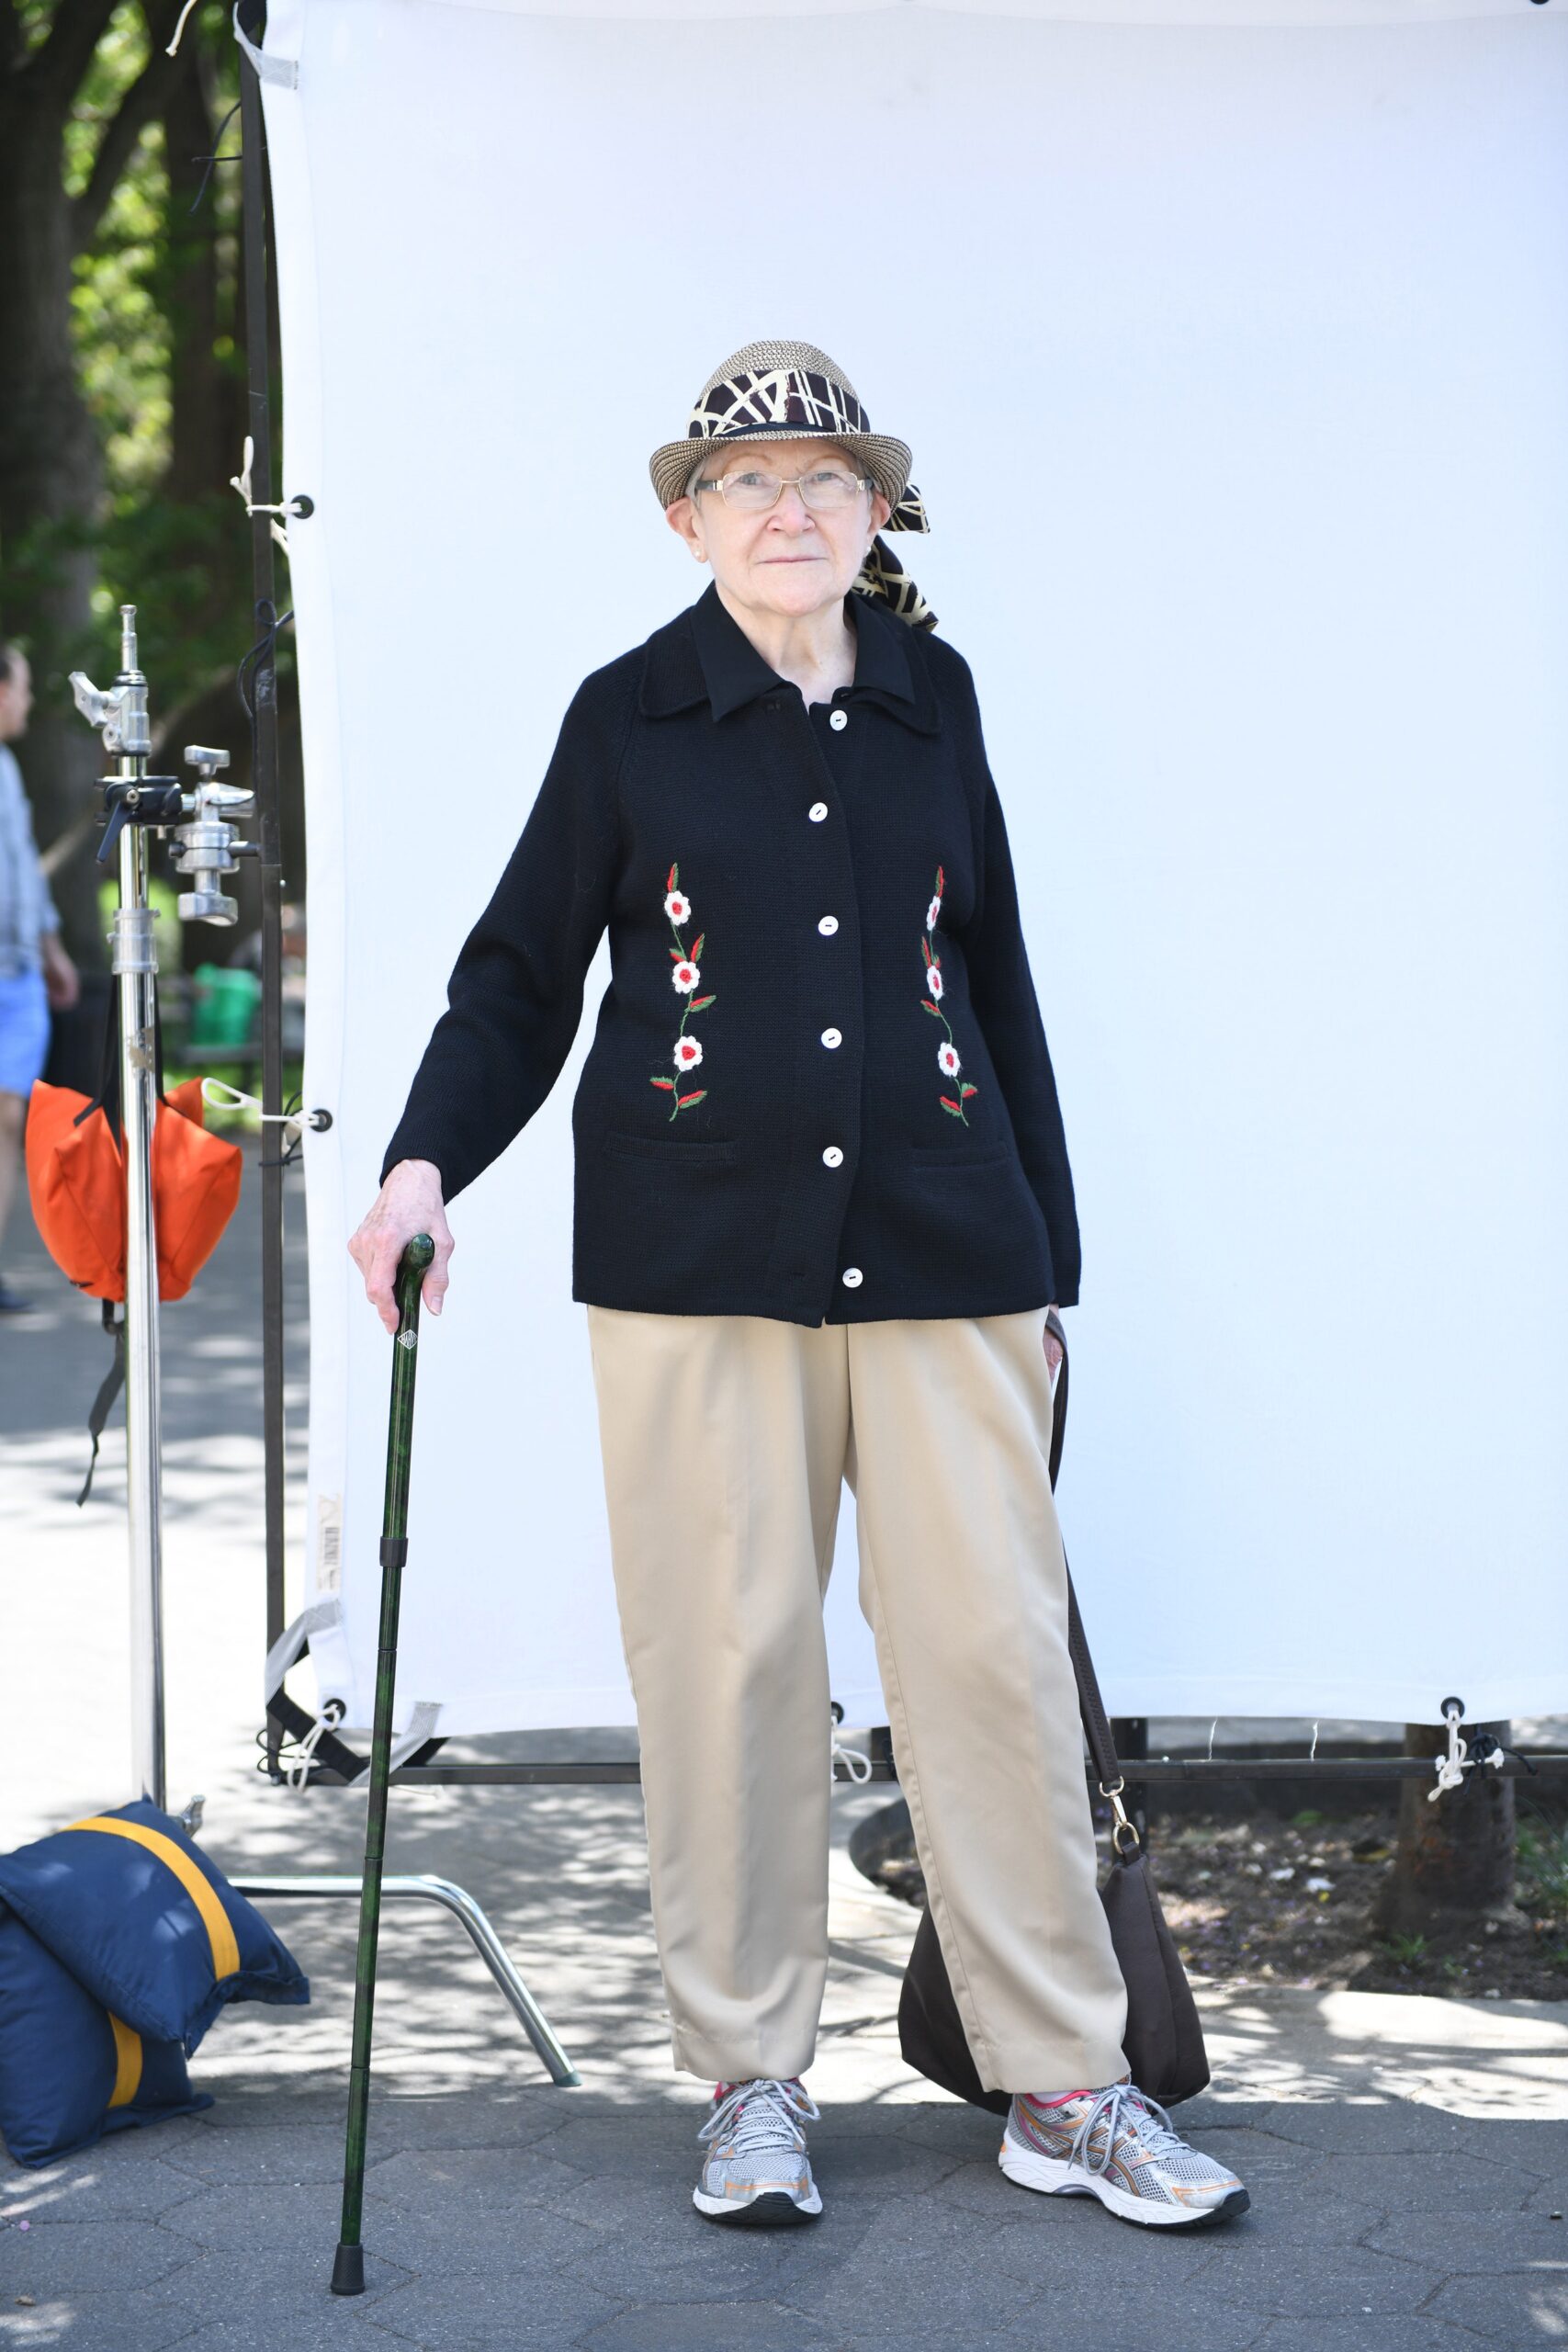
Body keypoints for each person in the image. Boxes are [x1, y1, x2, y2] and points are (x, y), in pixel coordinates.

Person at [350, 340, 1250, 2233]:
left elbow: (992, 990)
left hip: (947, 1248)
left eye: (826, 480)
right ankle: (750, 2077)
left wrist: (1048, 1263)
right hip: (692, 1264)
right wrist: (422, 1163)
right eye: (751, 483)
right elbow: (519, 976)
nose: (789, 510)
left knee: (987, 1663)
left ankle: (1059, 2078)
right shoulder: (627, 719)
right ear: (689, 516)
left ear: (872, 513)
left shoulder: (937, 702)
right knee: (731, 1658)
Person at [0, 643, 80, 1314]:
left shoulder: (7, 767)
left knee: (7, 1119)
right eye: (23, 689)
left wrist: (51, 947)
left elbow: (23, 867)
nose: (27, 702)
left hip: (19, 971)